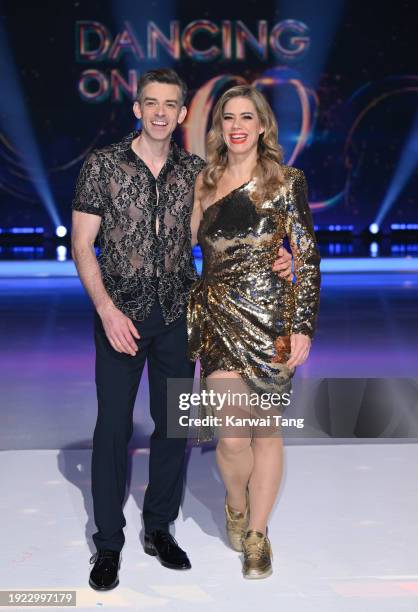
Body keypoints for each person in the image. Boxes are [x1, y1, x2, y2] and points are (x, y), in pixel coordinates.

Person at [71, 69, 293, 590]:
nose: (160, 112)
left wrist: (277, 256)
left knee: (173, 426)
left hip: (177, 318)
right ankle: (108, 543)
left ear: (183, 113)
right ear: (137, 108)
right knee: (113, 429)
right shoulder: (102, 165)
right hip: (120, 317)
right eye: (151, 103)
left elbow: (220, 233)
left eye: (170, 104)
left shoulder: (197, 172)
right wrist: (106, 309)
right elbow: (83, 246)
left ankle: (159, 528)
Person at [188, 85, 321, 579]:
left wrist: (303, 326)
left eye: (247, 116)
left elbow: (305, 256)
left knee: (266, 432)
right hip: (219, 318)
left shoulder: (286, 181)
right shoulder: (203, 182)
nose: (238, 125)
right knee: (231, 439)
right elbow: (184, 252)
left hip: (274, 322)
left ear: (263, 125)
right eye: (229, 117)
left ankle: (258, 536)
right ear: (219, 126)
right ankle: (234, 502)